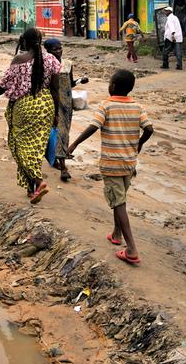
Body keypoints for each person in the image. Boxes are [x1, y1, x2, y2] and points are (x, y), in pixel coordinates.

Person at [68, 70, 154, 265]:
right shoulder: (137, 106)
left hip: (111, 163)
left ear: (113, 87)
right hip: (129, 163)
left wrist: (74, 144)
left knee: (118, 203)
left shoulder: (106, 105)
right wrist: (139, 144)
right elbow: (149, 129)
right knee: (120, 198)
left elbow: (93, 127)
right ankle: (116, 234)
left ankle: (131, 249)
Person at [0, 28, 60, 204]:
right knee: (35, 148)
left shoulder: (19, 60)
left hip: (25, 106)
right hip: (46, 106)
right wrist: (57, 114)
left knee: (19, 146)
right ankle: (31, 189)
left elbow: (5, 83)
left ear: (25, 42)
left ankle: (38, 182)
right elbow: (55, 89)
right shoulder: (51, 60)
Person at [43, 38, 88, 182]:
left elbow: (71, 83)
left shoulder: (67, 64)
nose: (58, 51)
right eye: (54, 49)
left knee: (63, 133)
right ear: (48, 51)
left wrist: (81, 80)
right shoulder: (46, 66)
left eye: (60, 48)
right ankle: (62, 166)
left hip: (66, 104)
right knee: (54, 133)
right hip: (51, 103)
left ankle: (59, 161)